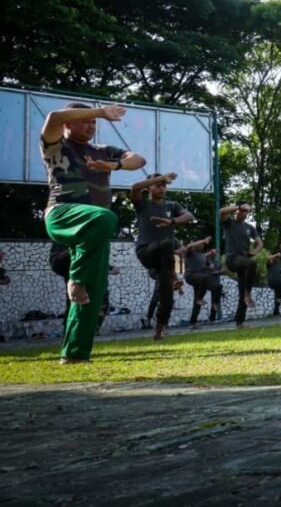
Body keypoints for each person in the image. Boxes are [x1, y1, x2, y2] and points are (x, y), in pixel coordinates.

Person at [40, 102, 146, 364]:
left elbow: (139, 159)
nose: (90, 125)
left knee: (94, 291)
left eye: (94, 123)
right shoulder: (55, 144)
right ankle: (75, 279)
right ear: (69, 123)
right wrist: (99, 111)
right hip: (63, 215)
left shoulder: (102, 151)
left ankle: (75, 355)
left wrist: (114, 166)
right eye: (85, 120)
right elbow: (53, 117)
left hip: (94, 232)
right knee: (105, 217)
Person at [130, 172, 194, 340]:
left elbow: (189, 216)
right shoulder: (143, 204)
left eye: (164, 185)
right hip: (146, 251)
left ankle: (158, 332)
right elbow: (135, 188)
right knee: (170, 242)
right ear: (149, 187)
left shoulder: (172, 206)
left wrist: (172, 221)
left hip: (163, 261)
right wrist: (161, 177)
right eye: (158, 184)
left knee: (167, 298)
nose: (162, 187)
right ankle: (174, 278)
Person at [219, 202, 262, 328]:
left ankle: (240, 322)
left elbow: (260, 243)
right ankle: (248, 294)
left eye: (245, 211)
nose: (241, 213)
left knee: (242, 291)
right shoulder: (229, 223)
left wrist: (255, 251)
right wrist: (238, 207)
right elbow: (221, 211)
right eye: (240, 210)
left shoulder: (250, 227)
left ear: (247, 214)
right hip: (232, 259)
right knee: (252, 263)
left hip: (244, 261)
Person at [182, 237, 221, 327]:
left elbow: (210, 265)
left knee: (218, 286)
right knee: (205, 278)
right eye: (201, 244)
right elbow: (189, 245)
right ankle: (199, 299)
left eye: (203, 244)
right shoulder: (190, 252)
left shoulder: (202, 256)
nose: (203, 245)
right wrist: (203, 240)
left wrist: (212, 265)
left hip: (201, 280)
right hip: (191, 276)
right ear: (197, 244)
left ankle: (198, 320)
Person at [266, 241, 281, 316]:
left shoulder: (279, 264)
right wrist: (275, 255)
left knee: (278, 296)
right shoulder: (270, 264)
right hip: (273, 281)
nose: (277, 259)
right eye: (276, 258)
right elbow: (267, 259)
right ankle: (276, 309)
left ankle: (276, 310)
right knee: (278, 293)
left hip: (280, 283)